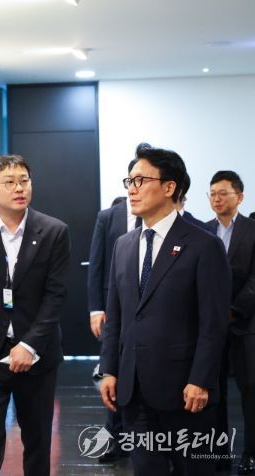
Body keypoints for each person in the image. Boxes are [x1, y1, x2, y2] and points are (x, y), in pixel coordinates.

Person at [99, 143, 231, 475]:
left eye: (140, 180)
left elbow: (213, 323)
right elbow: (116, 317)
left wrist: (201, 379)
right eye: (129, 181)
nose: (132, 189)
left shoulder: (204, 245)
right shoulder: (124, 246)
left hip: (185, 390)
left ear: (170, 187)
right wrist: (109, 370)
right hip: (133, 390)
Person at [0, 155, 70, 476]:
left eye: (24, 181)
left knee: (38, 439)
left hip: (37, 355)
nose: (19, 188)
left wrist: (29, 345)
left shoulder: (54, 231)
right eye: (10, 182)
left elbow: (55, 296)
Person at [87, 159, 139, 463]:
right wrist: (96, 308)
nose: (135, 187)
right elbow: (96, 265)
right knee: (112, 371)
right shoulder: (108, 217)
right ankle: (116, 439)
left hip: (148, 310)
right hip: (112, 310)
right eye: (131, 180)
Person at [207, 170, 255, 474]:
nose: (216, 199)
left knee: (250, 391)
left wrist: (233, 310)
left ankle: (251, 453)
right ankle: (218, 452)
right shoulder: (204, 231)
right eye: (212, 194)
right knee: (214, 392)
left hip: (246, 324)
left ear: (240, 196)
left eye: (223, 193)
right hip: (210, 327)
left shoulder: (252, 229)